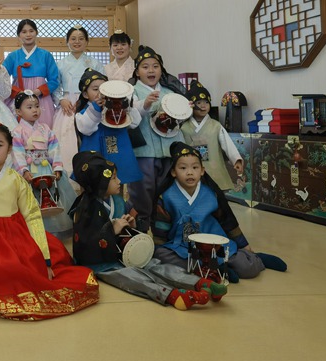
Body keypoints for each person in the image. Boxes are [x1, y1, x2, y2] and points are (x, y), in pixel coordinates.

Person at [0, 123, 99, 320]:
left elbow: (32, 216)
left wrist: (45, 259)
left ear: (9, 149)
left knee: (14, 268)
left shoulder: (17, 180)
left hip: (12, 234)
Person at [70, 151, 225, 311]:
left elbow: (132, 226)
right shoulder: (84, 209)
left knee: (154, 264)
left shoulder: (118, 200)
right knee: (132, 277)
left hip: (125, 252)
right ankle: (172, 295)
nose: (119, 181)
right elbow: (84, 244)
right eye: (114, 178)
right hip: (103, 264)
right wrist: (110, 231)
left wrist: (132, 225)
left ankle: (199, 283)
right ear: (99, 183)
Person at [152, 142, 287, 282]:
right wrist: (158, 251)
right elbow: (161, 227)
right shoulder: (166, 196)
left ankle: (256, 259)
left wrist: (243, 244)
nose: (190, 172)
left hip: (214, 244)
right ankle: (216, 269)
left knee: (247, 268)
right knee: (161, 256)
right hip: (182, 247)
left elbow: (227, 220)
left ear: (202, 171)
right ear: (173, 172)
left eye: (195, 167)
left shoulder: (211, 193)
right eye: (183, 168)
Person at [129, 46, 186, 232]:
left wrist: (185, 109)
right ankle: (140, 231)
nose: (151, 70)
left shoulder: (170, 93)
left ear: (161, 70)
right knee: (142, 192)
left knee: (168, 191)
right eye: (145, 67)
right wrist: (145, 104)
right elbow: (129, 118)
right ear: (137, 72)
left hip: (170, 150)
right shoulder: (132, 92)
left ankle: (164, 231)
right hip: (143, 151)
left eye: (155, 66)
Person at [10, 90, 77, 239]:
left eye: (37, 106)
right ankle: (31, 231)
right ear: (18, 112)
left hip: (46, 169)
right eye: (29, 107)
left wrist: (57, 166)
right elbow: (17, 152)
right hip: (29, 171)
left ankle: (51, 233)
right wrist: (23, 170)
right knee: (31, 199)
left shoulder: (45, 129)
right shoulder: (17, 132)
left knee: (51, 196)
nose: (35, 110)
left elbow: (54, 148)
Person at [75, 68, 142, 186]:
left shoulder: (118, 108)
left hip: (118, 150)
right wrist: (95, 108)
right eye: (96, 89)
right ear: (85, 94)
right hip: (95, 153)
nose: (100, 93)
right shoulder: (84, 113)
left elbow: (134, 123)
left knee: (119, 181)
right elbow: (86, 128)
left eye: (103, 88)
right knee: (94, 184)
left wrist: (127, 107)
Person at [180, 81, 243, 192]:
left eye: (206, 102)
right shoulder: (183, 127)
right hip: (192, 170)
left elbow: (227, 144)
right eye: (198, 102)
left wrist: (236, 159)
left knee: (216, 195)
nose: (203, 106)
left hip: (214, 169)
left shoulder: (216, 126)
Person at [53, 26, 103, 166]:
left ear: (87, 41)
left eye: (81, 38)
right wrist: (61, 100)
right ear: (67, 41)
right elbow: (55, 86)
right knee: (66, 138)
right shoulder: (60, 64)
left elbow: (102, 86)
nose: (77, 42)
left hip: (90, 102)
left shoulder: (95, 63)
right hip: (68, 104)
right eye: (73, 39)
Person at [3, 19, 60, 127]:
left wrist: (38, 91)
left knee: (43, 129)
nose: (28, 35)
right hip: (18, 98)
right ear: (19, 35)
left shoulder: (46, 55)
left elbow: (54, 80)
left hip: (41, 99)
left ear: (36, 32)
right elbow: (2, 79)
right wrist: (17, 92)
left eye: (31, 31)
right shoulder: (13, 56)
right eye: (24, 32)